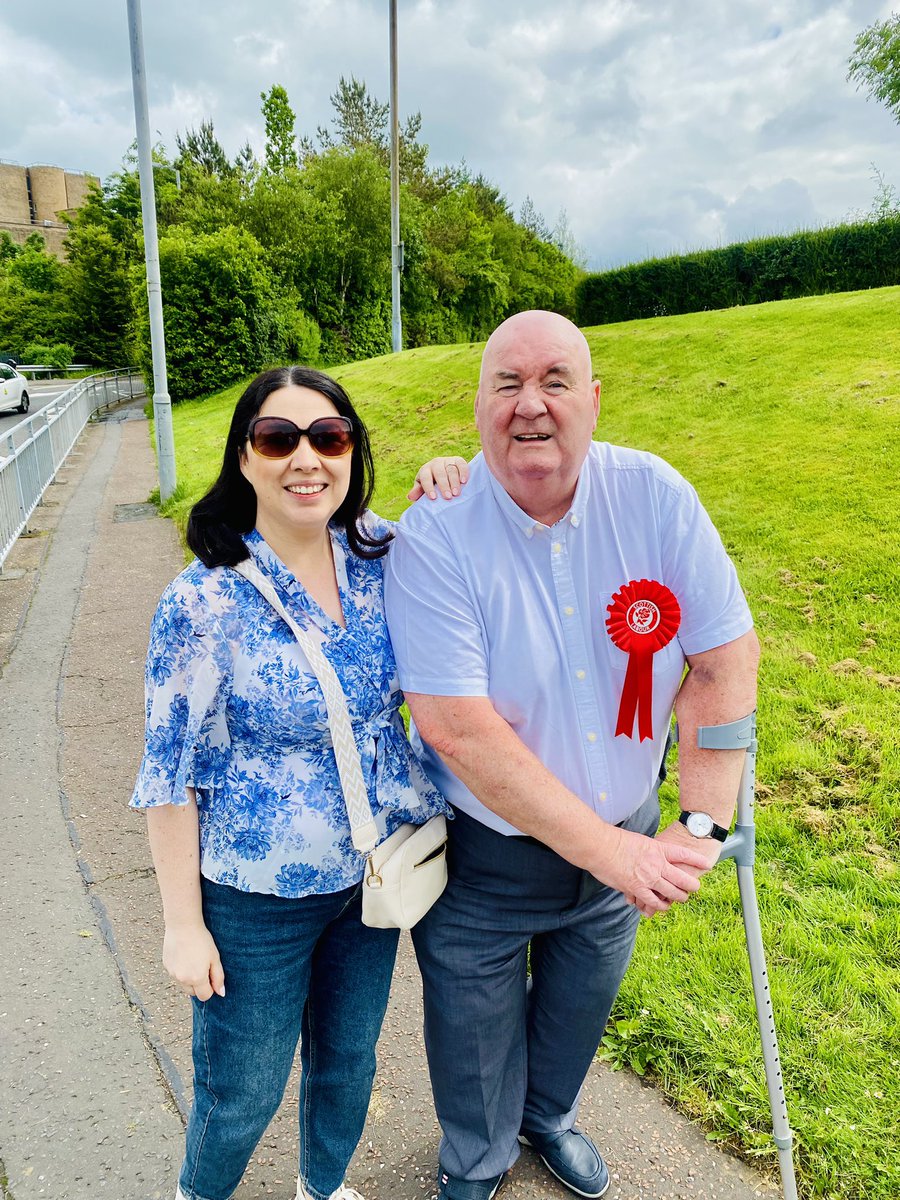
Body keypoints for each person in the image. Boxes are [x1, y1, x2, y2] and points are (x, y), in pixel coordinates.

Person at [383, 310, 760, 1200]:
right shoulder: (435, 533)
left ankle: (546, 1116)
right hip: (487, 860)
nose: (531, 405)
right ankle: (475, 1162)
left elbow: (723, 659)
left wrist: (701, 819)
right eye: (507, 384)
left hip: (622, 841)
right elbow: (458, 728)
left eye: (555, 381)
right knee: (471, 1027)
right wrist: (618, 855)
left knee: (580, 1007)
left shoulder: (657, 496)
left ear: (592, 400)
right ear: (477, 408)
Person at [131, 365, 464, 1200]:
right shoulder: (201, 601)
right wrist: (182, 926)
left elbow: (483, 534)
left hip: (375, 875)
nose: (306, 458)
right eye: (279, 439)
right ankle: (199, 1193)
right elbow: (168, 775)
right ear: (244, 459)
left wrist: (457, 479)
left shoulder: (381, 552)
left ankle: (324, 1186)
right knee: (243, 1089)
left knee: (349, 1061)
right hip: (256, 896)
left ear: (353, 451)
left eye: (329, 436)